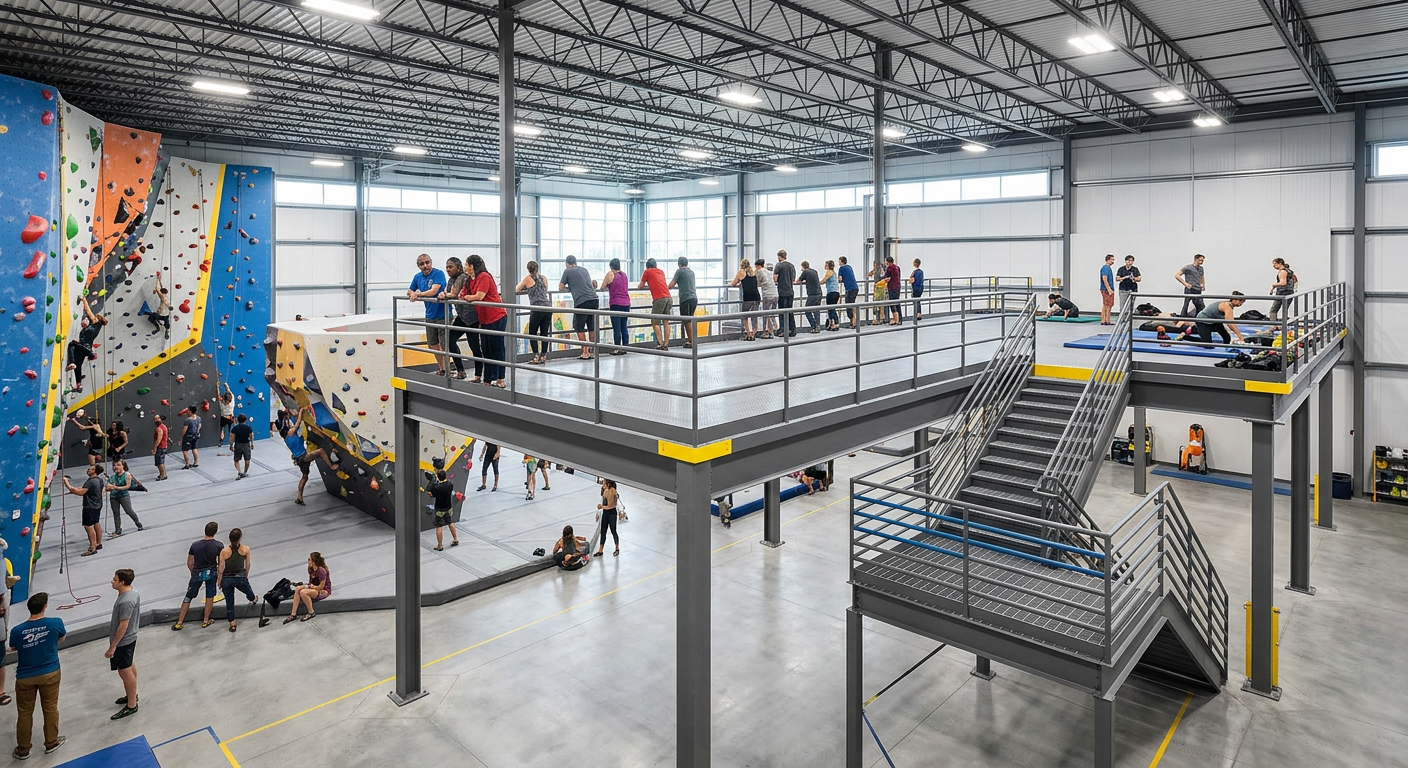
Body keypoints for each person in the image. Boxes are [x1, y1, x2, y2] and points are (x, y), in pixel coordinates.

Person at [10, 592, 66, 759]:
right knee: (50, 708)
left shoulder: (18, 630)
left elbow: (13, 648)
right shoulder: (55, 623)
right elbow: (62, 638)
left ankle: (23, 749)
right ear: (45, 607)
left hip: (25, 676)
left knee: (25, 712)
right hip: (50, 673)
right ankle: (51, 742)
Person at [460, 255, 507, 387]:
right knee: (486, 349)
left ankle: (500, 378)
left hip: (496, 317)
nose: (465, 267)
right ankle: (488, 379)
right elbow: (461, 295)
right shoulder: (470, 280)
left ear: (471, 266)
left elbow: (479, 296)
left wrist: (469, 297)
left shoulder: (484, 276)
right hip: (484, 318)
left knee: (497, 348)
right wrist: (468, 297)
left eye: (466, 264)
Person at [173, 521, 223, 631]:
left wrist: (193, 572)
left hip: (197, 572)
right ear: (215, 532)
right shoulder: (219, 545)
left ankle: (179, 622)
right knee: (209, 596)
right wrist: (220, 577)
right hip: (211, 572)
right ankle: (205, 620)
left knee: (188, 596)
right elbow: (221, 564)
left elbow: (190, 562)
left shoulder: (195, 545)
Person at [407, 253, 448, 375]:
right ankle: (443, 368)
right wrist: (412, 293)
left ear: (431, 262)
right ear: (418, 265)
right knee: (433, 344)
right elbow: (409, 290)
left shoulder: (438, 273)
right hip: (430, 315)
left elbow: (434, 291)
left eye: (427, 262)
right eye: (422, 264)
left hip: (442, 313)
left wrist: (417, 294)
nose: (425, 266)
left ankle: (450, 369)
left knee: (445, 345)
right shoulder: (417, 277)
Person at [106, 569, 140, 719]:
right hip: (130, 638)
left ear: (122, 582)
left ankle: (132, 705)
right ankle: (131, 694)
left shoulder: (126, 601)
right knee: (129, 666)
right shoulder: (133, 593)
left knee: (124, 671)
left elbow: (123, 624)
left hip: (124, 640)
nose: (112, 581)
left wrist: (112, 646)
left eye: (114, 579)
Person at [283, 408, 334, 506]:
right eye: (290, 428)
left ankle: (299, 497)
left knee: (305, 477)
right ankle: (331, 466)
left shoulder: (288, 440)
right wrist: (301, 411)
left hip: (299, 459)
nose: (291, 428)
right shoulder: (292, 432)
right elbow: (298, 423)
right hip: (304, 457)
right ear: (289, 432)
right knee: (321, 451)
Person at [444, 257, 482, 380]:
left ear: (459, 268)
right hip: (461, 317)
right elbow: (448, 292)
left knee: (475, 347)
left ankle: (478, 374)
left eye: (451, 267)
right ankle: (460, 370)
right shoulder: (450, 280)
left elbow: (453, 293)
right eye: (447, 267)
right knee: (450, 339)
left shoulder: (465, 278)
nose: (448, 269)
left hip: (472, 318)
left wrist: (444, 295)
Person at [218, 529, 259, 632]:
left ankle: (232, 623)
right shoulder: (245, 549)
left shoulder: (224, 551)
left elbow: (220, 568)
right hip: (239, 577)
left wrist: (219, 581)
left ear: (229, 538)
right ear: (240, 537)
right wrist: (245, 576)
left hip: (227, 579)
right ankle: (253, 598)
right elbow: (248, 564)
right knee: (249, 592)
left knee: (229, 602)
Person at [559, 255, 599, 360]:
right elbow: (589, 284)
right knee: (591, 326)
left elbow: (561, 287)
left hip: (582, 301)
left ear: (567, 264)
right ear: (575, 262)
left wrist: (570, 287)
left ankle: (585, 352)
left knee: (579, 326)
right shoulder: (584, 270)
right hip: (594, 299)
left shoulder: (567, 271)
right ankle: (593, 350)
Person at [61, 466, 104, 557]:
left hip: (90, 507)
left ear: (95, 472)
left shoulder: (91, 481)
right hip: (97, 505)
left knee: (88, 526)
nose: (88, 470)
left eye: (91, 469)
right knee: (96, 523)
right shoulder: (99, 480)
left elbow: (80, 492)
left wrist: (66, 483)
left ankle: (92, 548)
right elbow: (86, 489)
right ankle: (98, 543)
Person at [65, 296, 105, 393]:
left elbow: (88, 310)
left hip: (84, 347)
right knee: (78, 366)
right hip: (86, 349)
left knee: (72, 344)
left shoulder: (95, 322)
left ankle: (70, 362)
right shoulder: (97, 329)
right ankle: (79, 385)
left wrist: (83, 299)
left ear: (97, 319)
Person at [518, 260, 554, 364]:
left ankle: (535, 356)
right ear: (537, 268)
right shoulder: (543, 278)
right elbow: (545, 289)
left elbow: (517, 289)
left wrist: (526, 288)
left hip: (537, 308)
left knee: (532, 332)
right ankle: (543, 356)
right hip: (547, 307)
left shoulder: (527, 279)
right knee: (544, 333)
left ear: (528, 269)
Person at [1181, 291, 1247, 346]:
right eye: (1240, 301)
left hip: (1213, 322)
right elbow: (1230, 323)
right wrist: (1240, 336)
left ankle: (1224, 350)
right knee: (1207, 344)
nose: (1241, 303)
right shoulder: (1226, 306)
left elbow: (1230, 322)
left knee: (1227, 337)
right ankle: (1185, 337)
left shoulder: (1230, 306)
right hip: (1202, 322)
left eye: (1242, 302)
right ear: (1234, 300)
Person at [284, 552, 331, 623]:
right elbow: (310, 582)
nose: (308, 561)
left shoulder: (321, 571)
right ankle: (293, 614)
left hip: (323, 590)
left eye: (309, 559)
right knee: (298, 589)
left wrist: (310, 587)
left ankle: (311, 612)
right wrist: (307, 586)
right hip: (314, 588)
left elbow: (321, 587)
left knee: (303, 592)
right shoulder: (310, 568)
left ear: (314, 561)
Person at [600, 258, 631, 356]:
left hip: (616, 303)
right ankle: (625, 347)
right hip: (626, 303)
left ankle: (617, 348)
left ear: (611, 266)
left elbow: (602, 287)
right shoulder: (624, 275)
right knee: (624, 327)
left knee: (616, 327)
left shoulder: (610, 274)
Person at [639, 258, 672, 350]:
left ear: (647, 266)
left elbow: (641, 285)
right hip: (668, 297)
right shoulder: (661, 271)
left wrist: (647, 285)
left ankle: (660, 343)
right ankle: (666, 344)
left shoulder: (647, 272)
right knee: (666, 321)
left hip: (659, 299)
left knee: (654, 321)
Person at [105, 460, 143, 538]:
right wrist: (107, 488)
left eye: (118, 465)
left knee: (128, 511)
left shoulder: (127, 475)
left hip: (123, 496)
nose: (116, 467)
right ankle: (118, 530)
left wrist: (115, 487)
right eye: (114, 465)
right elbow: (108, 487)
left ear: (123, 466)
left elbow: (127, 486)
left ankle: (137, 522)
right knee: (116, 513)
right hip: (114, 497)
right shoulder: (112, 477)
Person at [670, 257, 698, 348]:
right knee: (690, 319)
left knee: (687, 320)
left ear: (679, 264)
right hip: (694, 298)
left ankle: (692, 341)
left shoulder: (680, 271)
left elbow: (671, 285)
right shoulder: (691, 272)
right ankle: (692, 339)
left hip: (686, 299)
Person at [427, 471, 460, 550]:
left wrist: (431, 483)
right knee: (450, 523)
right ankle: (455, 539)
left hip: (439, 509)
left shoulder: (437, 488)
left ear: (438, 477)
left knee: (439, 526)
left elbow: (431, 494)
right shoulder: (450, 485)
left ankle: (440, 545)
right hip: (448, 507)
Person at [732, 257, 760, 341]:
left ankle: (748, 334)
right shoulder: (753, 272)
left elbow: (733, 283)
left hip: (748, 297)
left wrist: (740, 284)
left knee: (744, 316)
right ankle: (754, 333)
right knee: (754, 316)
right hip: (756, 296)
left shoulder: (741, 272)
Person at [594, 479, 621, 558]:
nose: (602, 483)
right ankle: (600, 550)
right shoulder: (604, 490)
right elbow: (602, 501)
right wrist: (598, 513)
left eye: (604, 482)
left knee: (613, 531)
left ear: (608, 484)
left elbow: (611, 506)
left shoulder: (612, 491)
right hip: (605, 513)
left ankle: (617, 548)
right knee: (603, 531)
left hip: (611, 513)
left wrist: (601, 507)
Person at [773, 250, 797, 336]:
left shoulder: (778, 265)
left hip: (782, 292)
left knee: (782, 311)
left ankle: (782, 330)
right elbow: (793, 279)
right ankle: (792, 329)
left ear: (779, 256)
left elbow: (775, 278)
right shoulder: (791, 266)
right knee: (790, 311)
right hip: (790, 291)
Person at [755, 258, 778, 338]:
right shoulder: (768, 271)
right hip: (775, 294)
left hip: (767, 295)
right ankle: (772, 331)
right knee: (771, 314)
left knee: (765, 314)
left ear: (757, 266)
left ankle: (766, 332)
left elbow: (757, 282)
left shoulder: (759, 271)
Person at [798, 260, 822, 333]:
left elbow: (799, 280)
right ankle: (818, 326)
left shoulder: (805, 272)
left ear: (803, 266)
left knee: (807, 311)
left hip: (812, 294)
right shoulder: (814, 271)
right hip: (819, 293)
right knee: (816, 311)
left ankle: (814, 325)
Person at [230, 414, 254, 478]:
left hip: (238, 444)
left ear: (238, 420)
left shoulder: (235, 428)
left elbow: (232, 437)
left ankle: (239, 472)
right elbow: (251, 435)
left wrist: (231, 445)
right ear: (245, 420)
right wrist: (252, 443)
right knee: (247, 459)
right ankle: (245, 472)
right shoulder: (248, 428)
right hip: (246, 444)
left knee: (236, 459)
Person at [838, 255, 859, 328]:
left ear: (841, 262)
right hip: (855, 287)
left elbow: (840, 279)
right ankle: (855, 321)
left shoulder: (841, 268)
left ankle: (852, 322)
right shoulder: (849, 267)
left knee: (848, 305)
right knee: (852, 304)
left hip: (849, 289)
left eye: (839, 261)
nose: (838, 263)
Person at [179, 404, 202, 469]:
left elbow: (184, 429)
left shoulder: (188, 420)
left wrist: (181, 438)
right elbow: (199, 425)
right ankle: (196, 462)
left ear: (190, 411)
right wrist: (197, 431)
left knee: (185, 450)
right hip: (195, 436)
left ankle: (187, 464)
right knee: (194, 448)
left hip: (188, 437)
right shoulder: (198, 418)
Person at [883, 255, 903, 325]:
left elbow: (886, 277)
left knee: (892, 304)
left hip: (892, 288)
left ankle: (895, 319)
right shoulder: (897, 268)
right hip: (897, 287)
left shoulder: (889, 269)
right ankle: (900, 319)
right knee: (897, 303)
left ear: (888, 262)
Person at [150, 414, 169, 481]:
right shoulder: (164, 427)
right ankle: (163, 474)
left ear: (161, 419)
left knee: (159, 462)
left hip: (160, 447)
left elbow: (159, 439)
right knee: (160, 461)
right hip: (163, 446)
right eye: (155, 419)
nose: (156, 420)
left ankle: (163, 475)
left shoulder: (159, 428)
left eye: (157, 418)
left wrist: (154, 448)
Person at [1099, 254, 1117, 325]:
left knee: (1109, 305)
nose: (1113, 261)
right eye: (1112, 259)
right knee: (1106, 304)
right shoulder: (1105, 268)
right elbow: (1104, 279)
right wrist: (1109, 289)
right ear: (1108, 260)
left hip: (1109, 289)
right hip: (1106, 289)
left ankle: (1107, 320)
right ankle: (1104, 320)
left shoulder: (1109, 268)